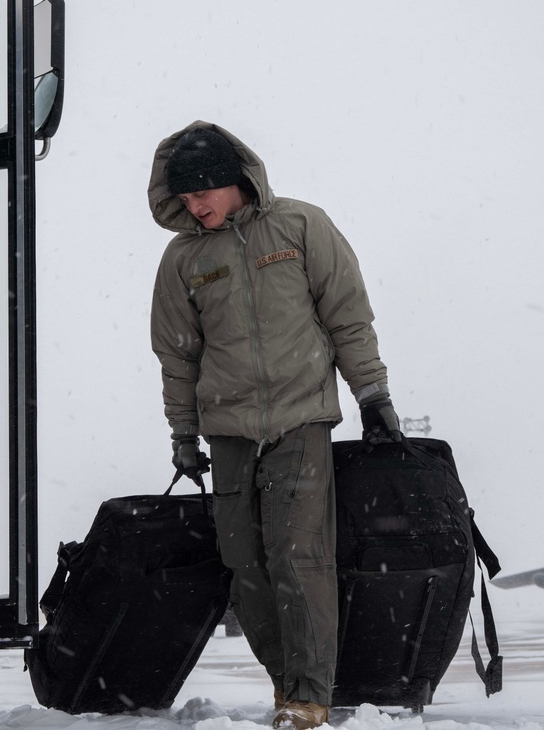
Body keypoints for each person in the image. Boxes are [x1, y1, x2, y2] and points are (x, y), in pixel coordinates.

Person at [147, 121, 401, 730]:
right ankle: (286, 684)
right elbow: (176, 357)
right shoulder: (183, 259)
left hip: (301, 419)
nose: (195, 206)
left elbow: (348, 316)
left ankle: (309, 697)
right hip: (229, 432)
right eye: (184, 197)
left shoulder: (300, 226)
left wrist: (373, 396)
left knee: (298, 556)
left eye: (202, 192)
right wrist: (184, 435)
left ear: (233, 182)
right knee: (246, 564)